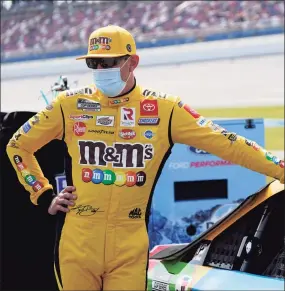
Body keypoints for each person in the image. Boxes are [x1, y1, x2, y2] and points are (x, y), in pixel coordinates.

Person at [6, 25, 284, 291]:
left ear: (133, 62)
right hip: (77, 240)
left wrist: (281, 171)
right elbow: (18, 146)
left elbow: (230, 145)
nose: (101, 71)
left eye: (109, 62)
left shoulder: (165, 110)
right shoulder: (68, 105)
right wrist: (42, 194)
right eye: (94, 64)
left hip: (129, 243)